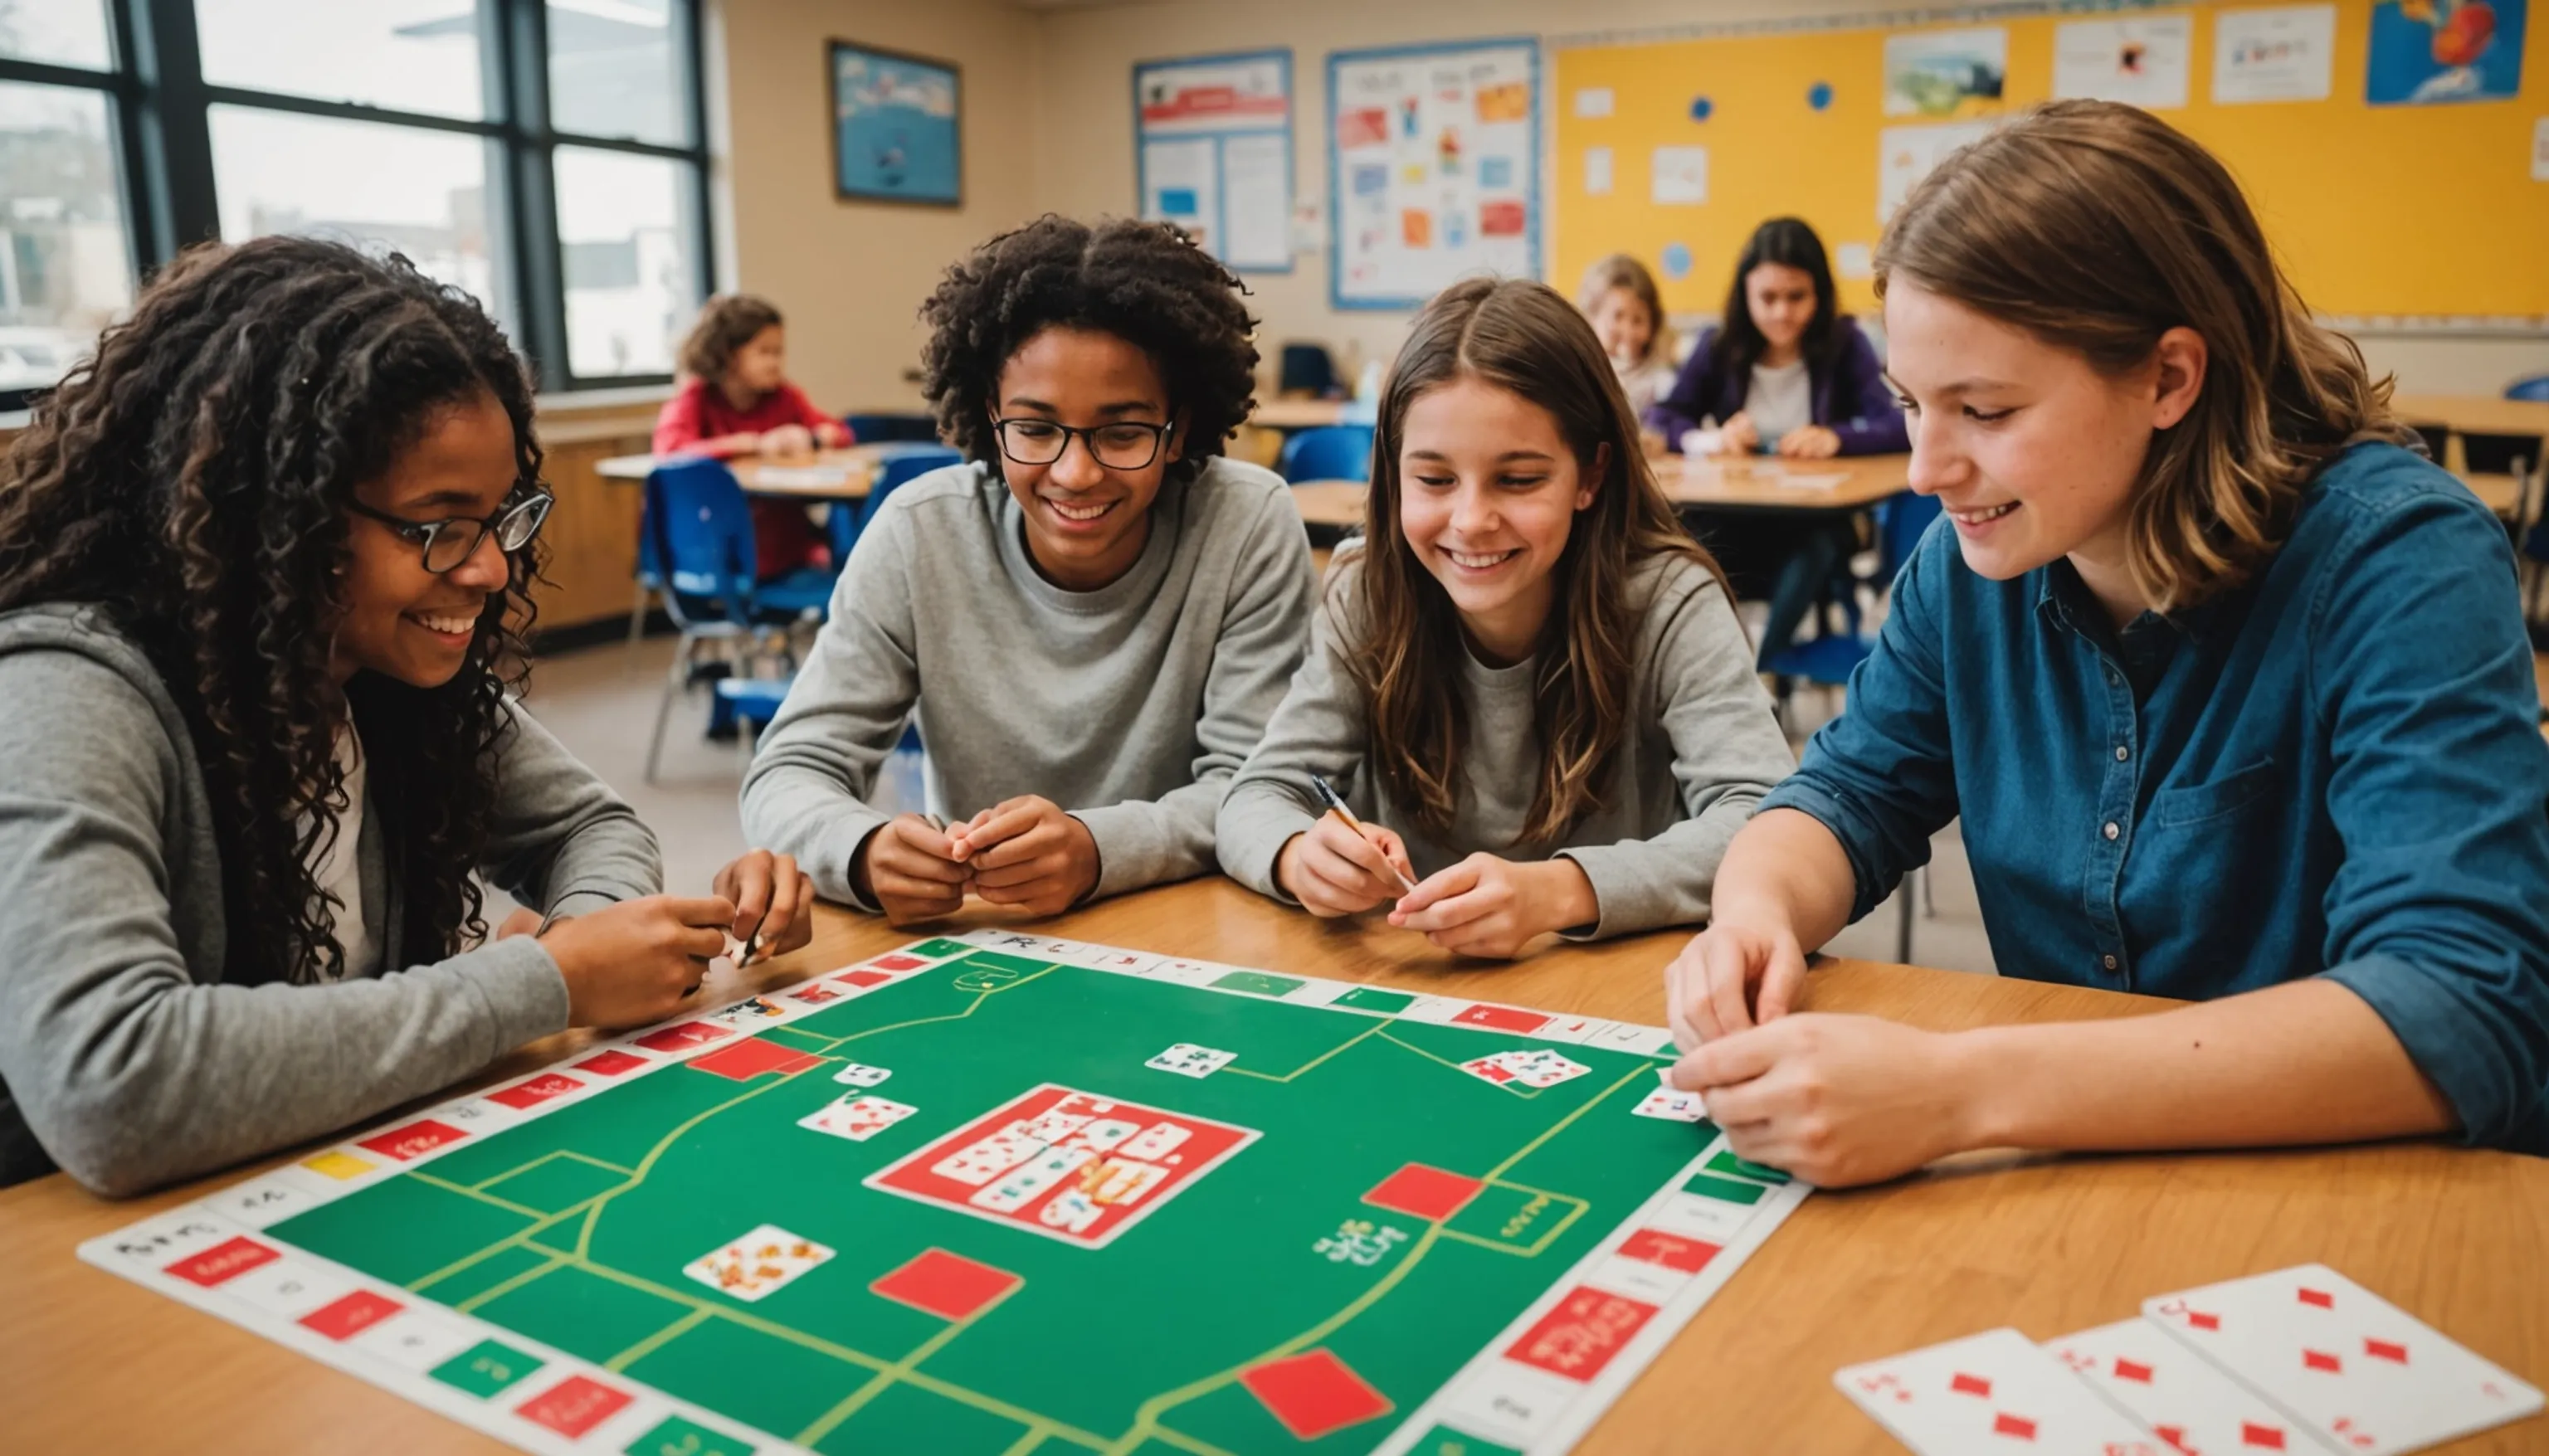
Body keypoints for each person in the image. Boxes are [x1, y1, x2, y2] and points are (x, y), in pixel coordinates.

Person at [1664, 101, 2549, 1186]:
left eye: (1984, 410)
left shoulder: (2398, 557)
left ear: (2170, 378)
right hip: (2078, 1173)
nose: (1925, 470)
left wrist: (1963, 1088)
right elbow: (1847, 796)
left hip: (2360, 1187)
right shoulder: (1969, 558)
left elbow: (2464, 1004)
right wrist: (1752, 914)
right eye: (1909, 404)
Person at [0, 237, 814, 1196]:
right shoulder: (63, 688)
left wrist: (588, 941)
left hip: (326, 1179)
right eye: (438, 527)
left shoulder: (374, 661)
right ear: (272, 513)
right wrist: (541, 986)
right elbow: (110, 1086)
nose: (491, 569)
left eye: (503, 518)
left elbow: (589, 824)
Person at [740, 216, 1317, 923]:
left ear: (1180, 430)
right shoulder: (919, 531)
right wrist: (861, 850)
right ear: (991, 418)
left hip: (1197, 923)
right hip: (988, 940)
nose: (1075, 473)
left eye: (1124, 432)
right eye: (1036, 429)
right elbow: (789, 771)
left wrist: (1096, 847)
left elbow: (1257, 787)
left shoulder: (1246, 524)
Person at [1216, 278, 1794, 957]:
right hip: (1413, 985)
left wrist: (1558, 892)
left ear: (1590, 476)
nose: (1470, 521)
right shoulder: (1367, 588)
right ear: (1394, 472)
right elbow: (1255, 794)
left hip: (1614, 993)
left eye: (1518, 480)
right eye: (1434, 480)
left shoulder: (1668, 599)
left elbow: (1766, 821)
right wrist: (1297, 853)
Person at [1645, 219, 1910, 667]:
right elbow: (1664, 416)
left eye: (1797, 297)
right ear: (1745, 294)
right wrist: (1712, 439)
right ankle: (1716, 665)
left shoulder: (1845, 344)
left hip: (1813, 520)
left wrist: (1835, 438)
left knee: (1820, 544)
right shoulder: (1718, 344)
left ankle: (1758, 670)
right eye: (1767, 298)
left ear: (1819, 294)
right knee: (1687, 540)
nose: (1781, 313)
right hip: (1737, 514)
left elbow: (1897, 422)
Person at [652, 294, 850, 579]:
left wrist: (812, 438)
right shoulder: (696, 397)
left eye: (779, 351)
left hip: (782, 544)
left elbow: (840, 432)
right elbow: (669, 451)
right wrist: (754, 444)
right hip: (717, 548)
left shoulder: (784, 395)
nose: (775, 362)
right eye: (764, 352)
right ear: (727, 355)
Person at [1578, 252, 1678, 427]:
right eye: (1618, 317)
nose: (1628, 331)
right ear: (1592, 317)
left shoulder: (1663, 379)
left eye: (1638, 320)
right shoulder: (1581, 374)